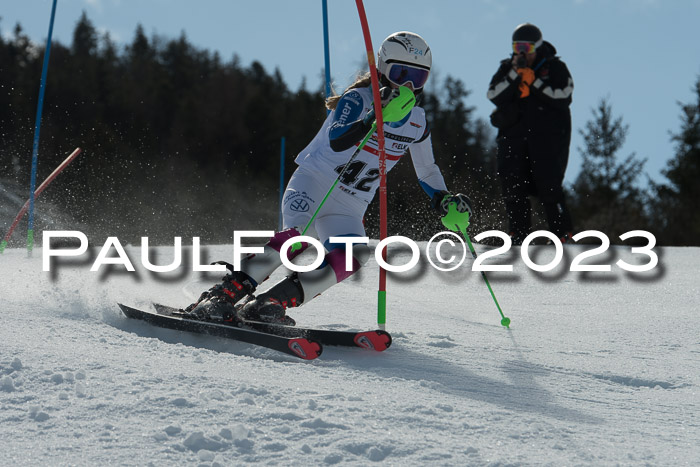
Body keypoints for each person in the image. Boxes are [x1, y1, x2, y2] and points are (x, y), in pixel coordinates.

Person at [185, 31, 472, 325]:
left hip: (349, 205)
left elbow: (426, 170)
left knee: (353, 256)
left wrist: (442, 198)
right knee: (295, 238)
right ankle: (222, 296)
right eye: (401, 74)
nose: (409, 86)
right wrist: (375, 119)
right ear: (382, 71)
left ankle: (269, 303)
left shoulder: (417, 122)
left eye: (418, 78)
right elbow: (337, 139)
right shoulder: (357, 99)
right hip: (315, 182)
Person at [487, 23, 574, 244]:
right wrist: (515, 75)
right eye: (517, 47)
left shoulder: (554, 67)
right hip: (513, 139)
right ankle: (518, 233)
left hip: (547, 140)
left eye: (526, 47)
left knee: (549, 186)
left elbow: (564, 95)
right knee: (512, 184)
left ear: (538, 46)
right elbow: (492, 94)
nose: (522, 52)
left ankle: (562, 234)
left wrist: (534, 82)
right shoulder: (508, 67)